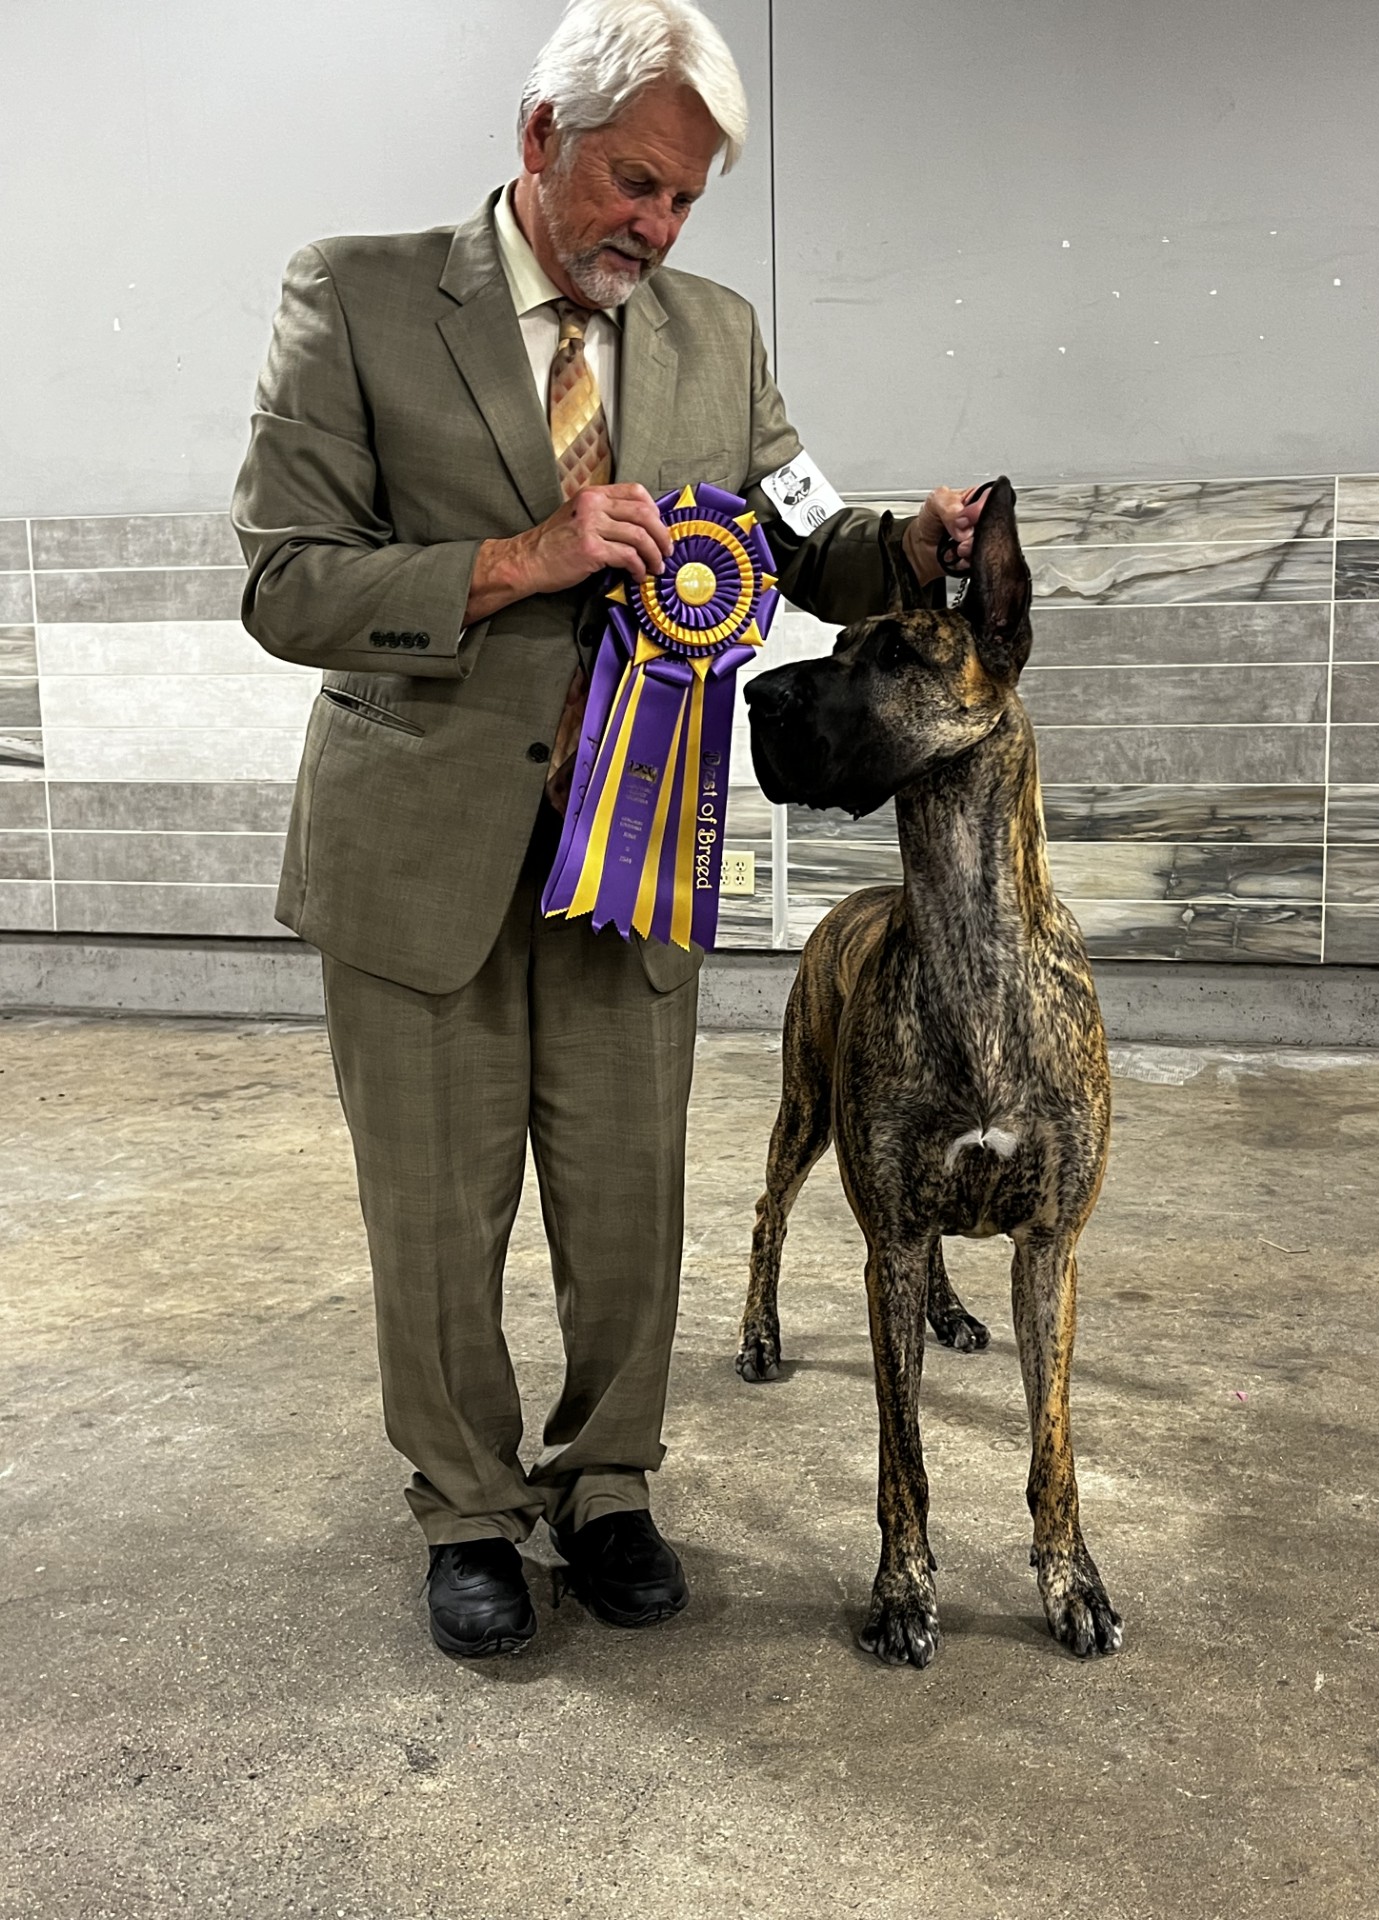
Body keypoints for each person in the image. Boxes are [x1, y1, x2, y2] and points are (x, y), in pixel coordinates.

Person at [232, 0, 986, 1659]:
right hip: (417, 853)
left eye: (686, 200)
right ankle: (466, 1508)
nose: (657, 226)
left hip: (637, 849)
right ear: (539, 137)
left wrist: (911, 548)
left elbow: (803, 536)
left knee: (627, 1196)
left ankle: (609, 1483)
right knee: (437, 1217)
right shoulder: (355, 296)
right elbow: (285, 582)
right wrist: (522, 559)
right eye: (636, 182)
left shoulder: (716, 334)